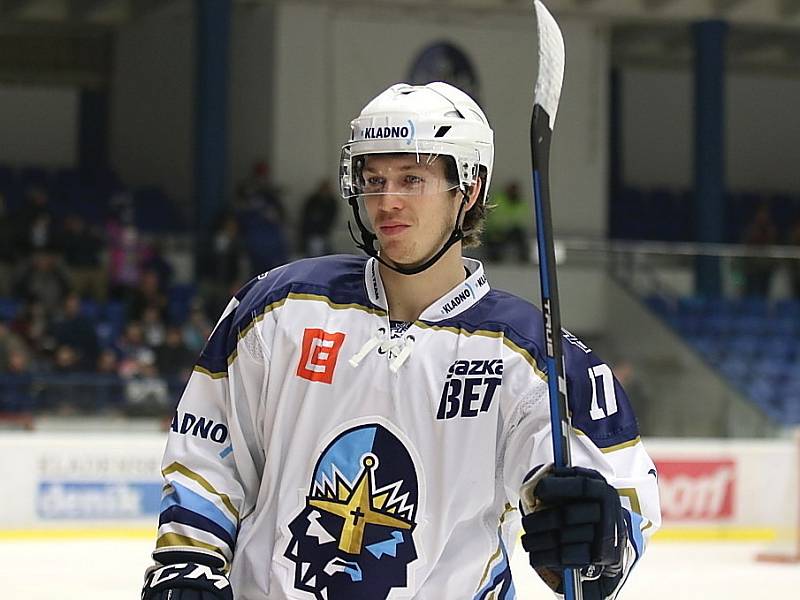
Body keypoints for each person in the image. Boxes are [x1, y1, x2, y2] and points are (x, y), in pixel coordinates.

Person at [142, 82, 660, 600]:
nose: (387, 201)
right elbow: (210, 450)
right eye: (374, 179)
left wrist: (597, 540)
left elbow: (620, 499)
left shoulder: (527, 355)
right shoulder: (280, 307)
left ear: (469, 189)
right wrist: (187, 563)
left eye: (412, 179)